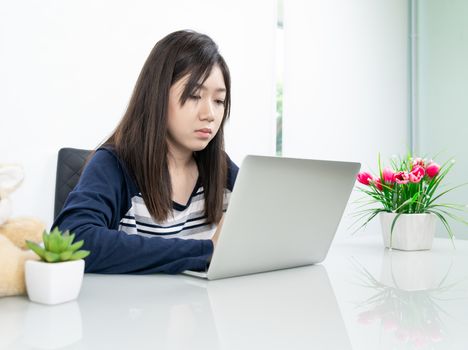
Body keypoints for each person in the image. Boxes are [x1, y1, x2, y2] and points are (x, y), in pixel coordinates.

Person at [53, 30, 238, 274]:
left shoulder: (220, 168)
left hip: (203, 308)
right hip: (131, 309)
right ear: (158, 96)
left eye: (219, 101)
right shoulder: (115, 165)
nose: (210, 114)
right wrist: (204, 252)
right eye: (194, 95)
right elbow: (74, 239)